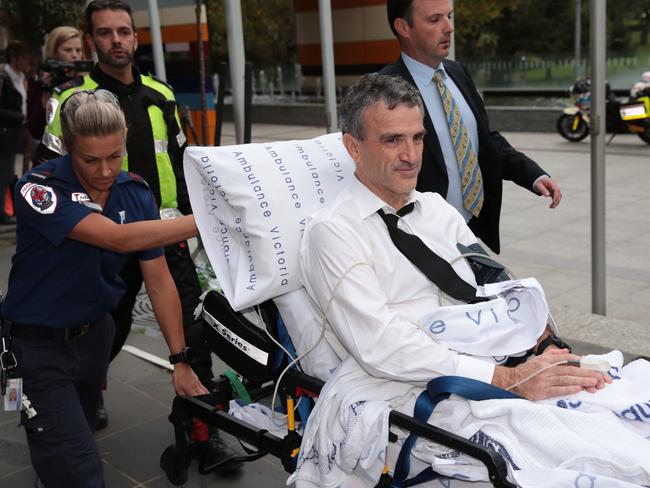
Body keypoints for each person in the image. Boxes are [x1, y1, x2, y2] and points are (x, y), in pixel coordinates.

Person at [1, 90, 207, 488]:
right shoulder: (38, 189)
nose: (104, 171)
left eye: (115, 156)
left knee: (64, 453)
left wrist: (180, 358)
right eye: (90, 160)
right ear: (68, 149)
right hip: (39, 349)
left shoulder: (135, 191)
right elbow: (117, 239)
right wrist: (207, 219)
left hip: (95, 340)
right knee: (80, 471)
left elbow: (159, 279)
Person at [39, 0, 213, 433]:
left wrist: (194, 218)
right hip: (102, 238)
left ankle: (203, 428)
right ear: (91, 39)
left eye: (123, 31)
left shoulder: (162, 94)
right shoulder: (72, 100)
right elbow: (50, 173)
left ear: (135, 37)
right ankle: (86, 390)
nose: (116, 40)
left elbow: (180, 159)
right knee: (104, 328)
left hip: (164, 233)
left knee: (191, 329)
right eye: (105, 32)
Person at [379, 0, 562, 253]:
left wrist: (533, 175)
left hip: (470, 230)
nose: (449, 28)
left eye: (449, 16)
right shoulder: (381, 89)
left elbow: (483, 140)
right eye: (435, 20)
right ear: (403, 27)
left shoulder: (458, 73)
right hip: (419, 239)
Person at [27, 26, 84, 146]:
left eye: (78, 50)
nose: (74, 55)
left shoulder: (87, 81)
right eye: (68, 50)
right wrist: (45, 96)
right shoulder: (40, 84)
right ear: (54, 52)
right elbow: (36, 131)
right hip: (50, 155)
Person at [0, 41, 30, 225]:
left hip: (19, 133)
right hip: (5, 134)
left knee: (14, 172)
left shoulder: (22, 77)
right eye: (25, 58)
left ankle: (12, 208)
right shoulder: (4, 78)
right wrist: (20, 117)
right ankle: (2, 213)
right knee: (4, 173)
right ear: (14, 58)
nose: (29, 62)